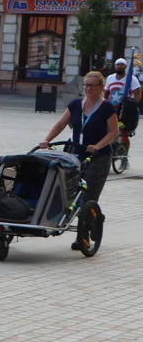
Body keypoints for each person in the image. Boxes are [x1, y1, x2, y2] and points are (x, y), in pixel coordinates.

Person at [39, 71, 118, 248]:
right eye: (86, 85)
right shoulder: (75, 104)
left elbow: (114, 132)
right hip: (77, 154)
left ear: (101, 87)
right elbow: (60, 124)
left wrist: (98, 145)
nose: (89, 88)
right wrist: (47, 140)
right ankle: (95, 218)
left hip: (99, 157)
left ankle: (83, 237)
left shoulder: (106, 107)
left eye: (93, 85)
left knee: (88, 194)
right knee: (72, 194)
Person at [104, 57, 141, 153]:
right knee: (108, 131)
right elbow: (106, 92)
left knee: (124, 133)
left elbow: (137, 93)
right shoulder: (110, 78)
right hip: (111, 110)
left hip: (124, 111)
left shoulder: (131, 79)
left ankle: (124, 158)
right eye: (118, 64)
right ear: (115, 66)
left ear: (125, 66)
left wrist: (133, 106)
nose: (119, 66)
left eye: (122, 65)